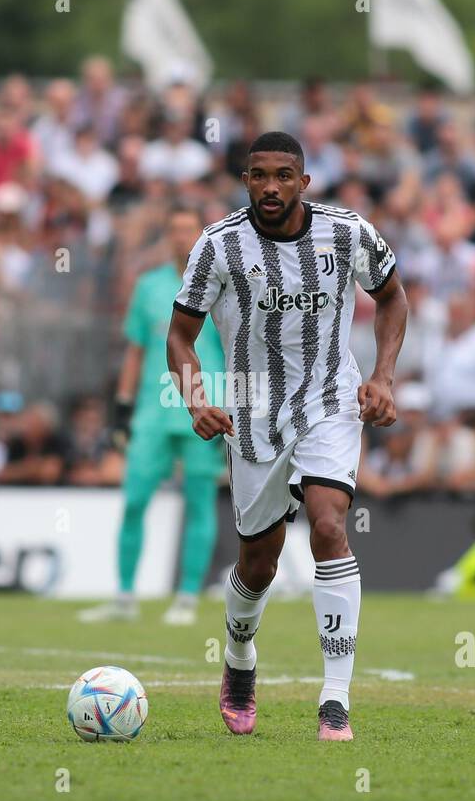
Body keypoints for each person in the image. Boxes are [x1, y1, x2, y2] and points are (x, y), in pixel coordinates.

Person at [166, 131, 408, 742]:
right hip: (251, 413)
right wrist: (196, 400)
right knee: (260, 561)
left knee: (329, 524)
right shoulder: (217, 246)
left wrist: (381, 377)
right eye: (257, 175)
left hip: (330, 401)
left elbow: (392, 297)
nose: (269, 186)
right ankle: (240, 659)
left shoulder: (348, 232)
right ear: (244, 180)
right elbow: (181, 337)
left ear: (304, 181)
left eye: (282, 175)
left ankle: (335, 699)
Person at [79, 206, 226, 626]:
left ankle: (187, 598)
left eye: (188, 230)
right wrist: (123, 408)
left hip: (204, 408)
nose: (182, 237)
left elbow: (234, 349)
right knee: (135, 500)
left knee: (199, 503)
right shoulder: (148, 286)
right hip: (152, 411)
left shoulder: (221, 284)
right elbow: (136, 349)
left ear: (201, 236)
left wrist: (235, 401)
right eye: (175, 230)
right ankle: (125, 596)